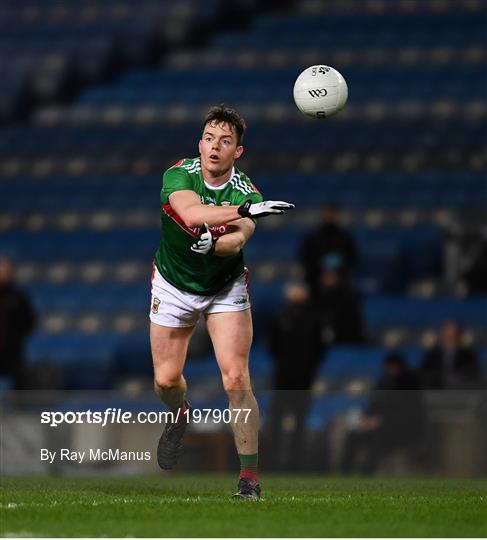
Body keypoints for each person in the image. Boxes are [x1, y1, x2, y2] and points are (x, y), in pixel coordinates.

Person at [150, 105, 294, 500]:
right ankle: (180, 413)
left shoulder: (247, 190)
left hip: (224, 288)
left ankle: (249, 478)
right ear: (200, 144)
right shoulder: (179, 173)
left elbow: (238, 240)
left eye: (225, 141)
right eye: (210, 139)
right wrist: (243, 212)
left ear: (237, 152)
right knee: (165, 381)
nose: (215, 147)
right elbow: (190, 211)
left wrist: (216, 242)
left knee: (236, 378)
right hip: (174, 283)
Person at [265, 283, 324, 471]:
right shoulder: (281, 316)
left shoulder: (314, 318)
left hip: (303, 377)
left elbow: (319, 348)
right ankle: (273, 461)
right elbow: (272, 345)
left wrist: (306, 365)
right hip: (284, 376)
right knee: (277, 420)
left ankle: (296, 463)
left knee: (299, 421)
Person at [340, 352, 423, 475]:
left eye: (393, 367)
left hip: (400, 430)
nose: (391, 370)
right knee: (353, 435)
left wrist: (382, 421)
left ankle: (366, 474)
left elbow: (408, 411)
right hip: (377, 427)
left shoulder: (409, 382)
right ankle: (344, 473)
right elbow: (374, 405)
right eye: (389, 367)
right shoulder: (383, 382)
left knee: (378, 440)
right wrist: (367, 419)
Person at [298, 203, 358, 295]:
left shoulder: (345, 237)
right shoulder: (313, 237)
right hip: (316, 282)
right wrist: (322, 274)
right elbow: (305, 258)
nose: (331, 216)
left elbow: (352, 258)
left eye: (333, 214)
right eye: (328, 213)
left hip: (341, 282)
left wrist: (336, 274)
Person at [0, 257, 36, 389]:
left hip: (12, 349)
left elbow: (29, 320)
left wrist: (16, 336)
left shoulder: (17, 296)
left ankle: (18, 409)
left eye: (5, 270)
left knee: (18, 380)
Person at [318, 254, 363, 346]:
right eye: (326, 273)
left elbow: (353, 331)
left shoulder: (348, 301)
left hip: (345, 346)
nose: (328, 277)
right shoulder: (317, 299)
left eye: (333, 274)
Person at [420, 321, 481, 389]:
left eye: (453, 334)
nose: (450, 337)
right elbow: (425, 373)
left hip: (461, 390)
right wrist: (443, 378)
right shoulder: (432, 355)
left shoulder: (468, 355)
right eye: (447, 334)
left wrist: (458, 378)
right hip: (438, 389)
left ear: (459, 336)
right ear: (441, 335)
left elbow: (473, 372)